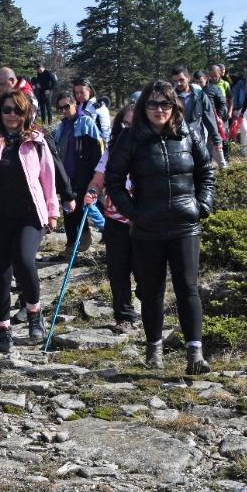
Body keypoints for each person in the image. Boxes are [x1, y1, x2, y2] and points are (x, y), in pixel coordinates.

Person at [104, 80, 215, 373]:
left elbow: (207, 171)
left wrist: (201, 206)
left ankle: (195, 354)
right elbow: (113, 180)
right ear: (144, 107)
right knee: (151, 290)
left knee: (188, 288)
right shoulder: (131, 138)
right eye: (152, 104)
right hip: (147, 228)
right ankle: (154, 350)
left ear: (174, 105)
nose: (159, 109)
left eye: (165, 103)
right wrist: (133, 213)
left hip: (185, 225)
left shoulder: (189, 132)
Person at [0, 89, 68, 353]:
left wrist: (53, 212)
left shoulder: (37, 140)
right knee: (0, 271)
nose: (11, 115)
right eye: (6, 110)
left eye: (17, 110)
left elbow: (48, 178)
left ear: (27, 113)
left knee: (24, 260)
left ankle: (34, 312)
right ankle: (3, 331)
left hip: (30, 214)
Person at [86, 101, 140, 333]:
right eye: (126, 123)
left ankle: (146, 303)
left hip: (145, 220)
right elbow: (99, 178)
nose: (129, 128)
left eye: (135, 124)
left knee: (145, 270)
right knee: (117, 271)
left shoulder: (152, 147)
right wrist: (92, 192)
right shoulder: (112, 150)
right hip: (116, 219)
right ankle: (124, 317)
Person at [51, 93, 104, 259]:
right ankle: (72, 242)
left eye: (67, 106)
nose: (64, 111)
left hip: (84, 173)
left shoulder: (86, 122)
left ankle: (105, 235)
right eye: (61, 108)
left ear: (75, 103)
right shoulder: (62, 125)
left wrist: (97, 173)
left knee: (88, 206)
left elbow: (97, 147)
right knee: (68, 209)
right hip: (67, 175)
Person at [72, 77, 111, 141]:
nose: (79, 95)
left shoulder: (100, 107)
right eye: (76, 93)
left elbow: (106, 132)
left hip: (96, 145)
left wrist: (106, 149)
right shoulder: (77, 106)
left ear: (90, 91)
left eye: (82, 92)